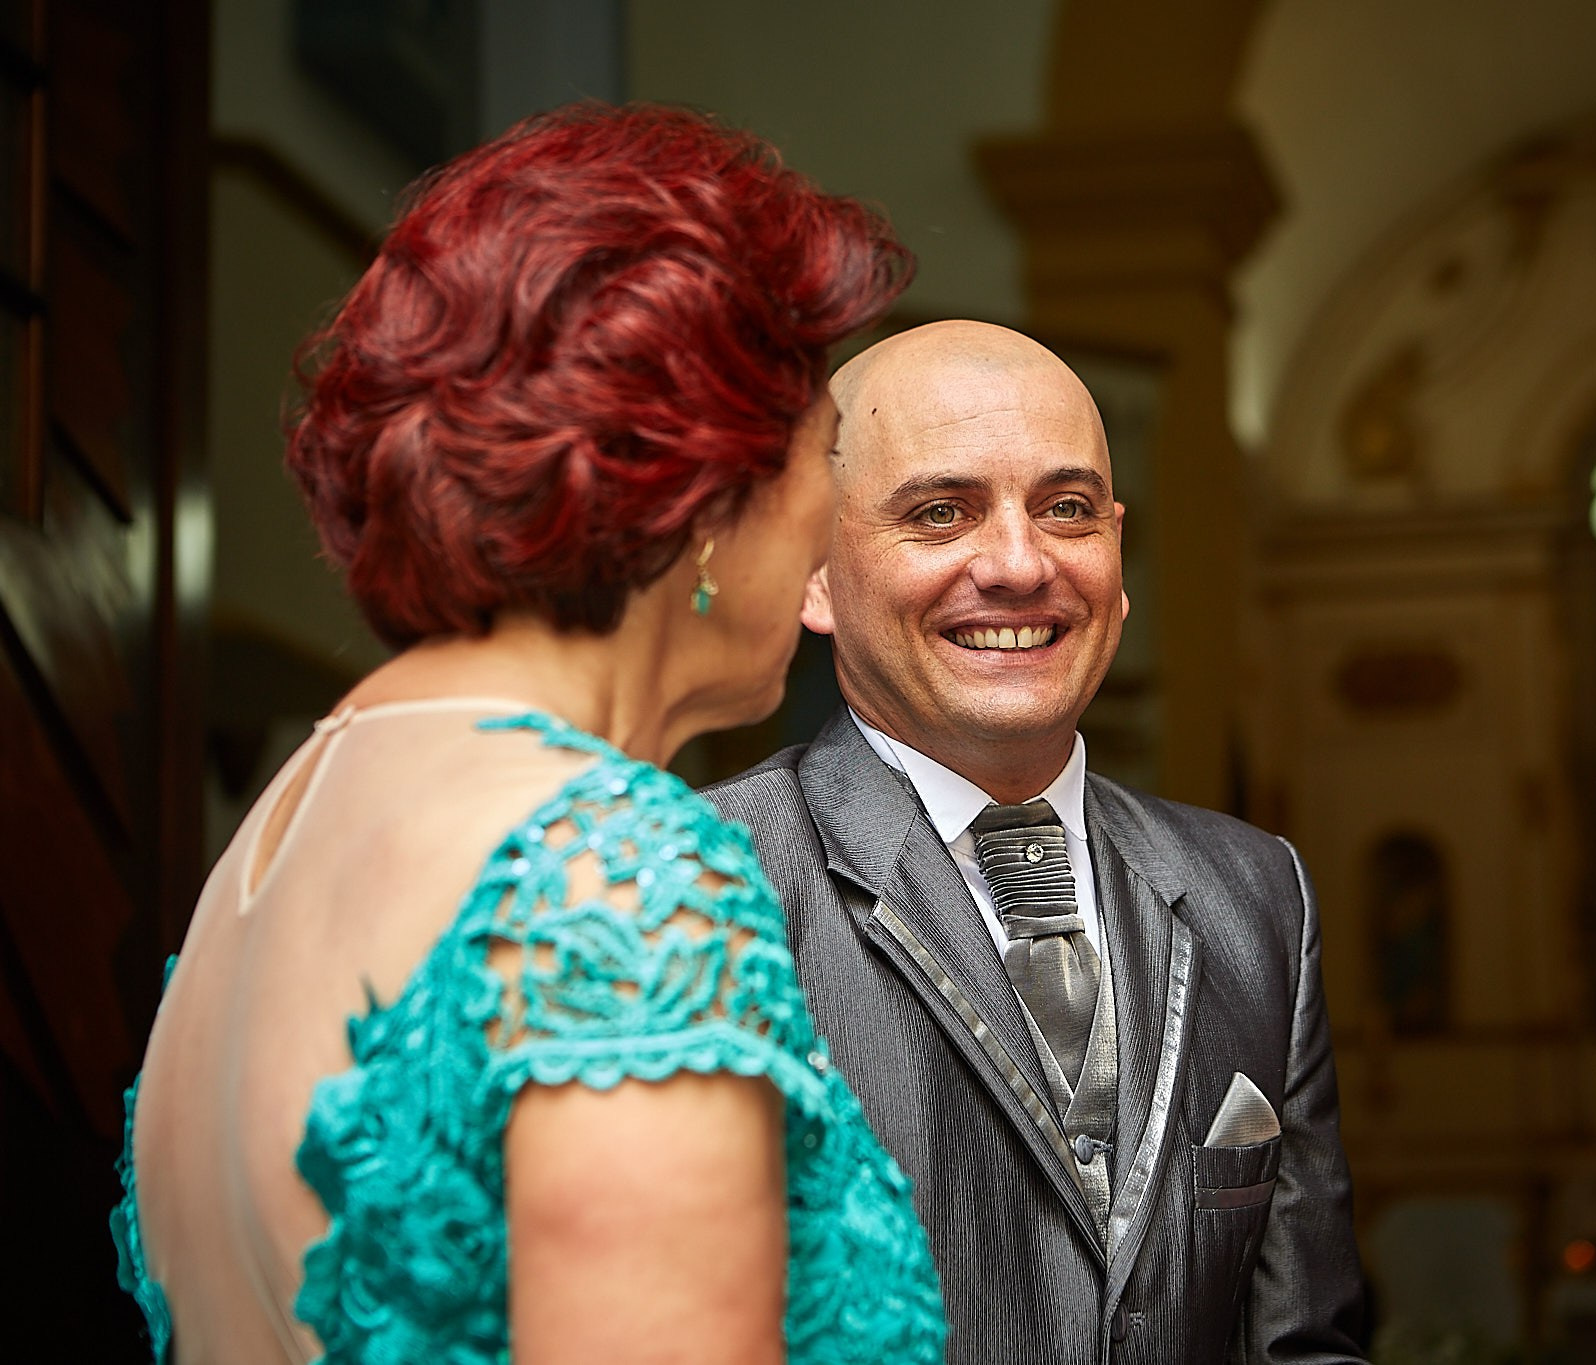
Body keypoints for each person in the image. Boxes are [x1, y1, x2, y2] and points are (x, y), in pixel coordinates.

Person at [109, 103, 945, 1364]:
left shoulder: (283, 827)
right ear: (710, 485)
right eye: (823, 459)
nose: (832, 529)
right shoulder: (612, 874)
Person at [706, 320, 1369, 1363]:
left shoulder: (1254, 894)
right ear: (812, 573)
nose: (1019, 565)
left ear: (1116, 551)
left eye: (1065, 510)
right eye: (939, 513)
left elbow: (1300, 1344)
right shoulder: (702, 880)